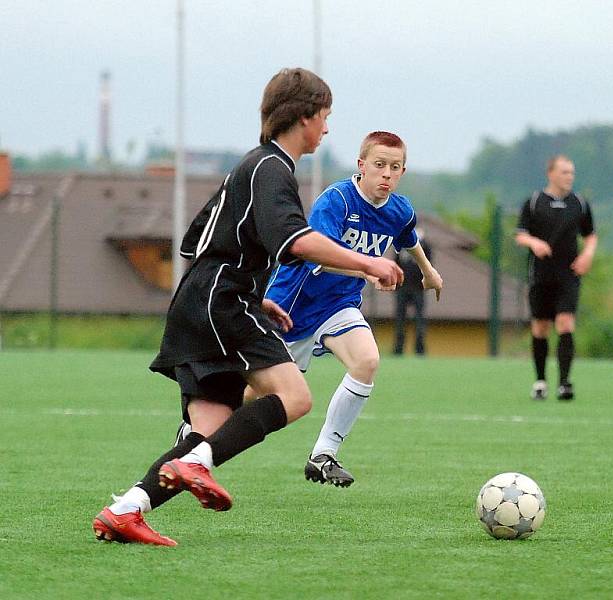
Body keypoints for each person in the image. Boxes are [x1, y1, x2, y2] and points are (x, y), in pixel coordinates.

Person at [91, 68, 403, 547]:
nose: (327, 128)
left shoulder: (253, 166)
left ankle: (125, 510)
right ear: (304, 117)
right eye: (324, 117)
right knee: (295, 396)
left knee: (210, 432)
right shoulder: (272, 169)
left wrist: (257, 297)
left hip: (204, 300)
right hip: (222, 302)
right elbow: (296, 242)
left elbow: (197, 240)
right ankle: (196, 466)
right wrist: (368, 264)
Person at [261, 131, 443, 487]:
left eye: (395, 167)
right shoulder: (337, 201)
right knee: (259, 394)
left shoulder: (399, 209)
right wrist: (367, 267)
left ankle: (323, 455)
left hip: (338, 304)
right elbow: (319, 257)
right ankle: (197, 434)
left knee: (367, 361)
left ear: (403, 171)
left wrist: (429, 270)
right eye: (379, 165)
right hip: (292, 305)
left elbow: (408, 236)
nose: (387, 174)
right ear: (361, 166)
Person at [514, 155, 597, 401]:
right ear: (550, 173)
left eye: (571, 172)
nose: (569, 177)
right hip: (540, 275)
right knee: (540, 327)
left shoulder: (579, 203)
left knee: (565, 323)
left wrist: (587, 255)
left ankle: (564, 383)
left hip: (568, 275)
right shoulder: (534, 202)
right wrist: (534, 242)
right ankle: (540, 382)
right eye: (564, 172)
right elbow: (520, 234)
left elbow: (590, 234)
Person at [393, 228, 433, 355]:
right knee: (400, 320)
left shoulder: (425, 246)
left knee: (420, 320)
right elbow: (395, 264)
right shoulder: (400, 244)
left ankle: (420, 350)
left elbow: (429, 264)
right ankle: (398, 349)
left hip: (418, 288)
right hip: (402, 288)